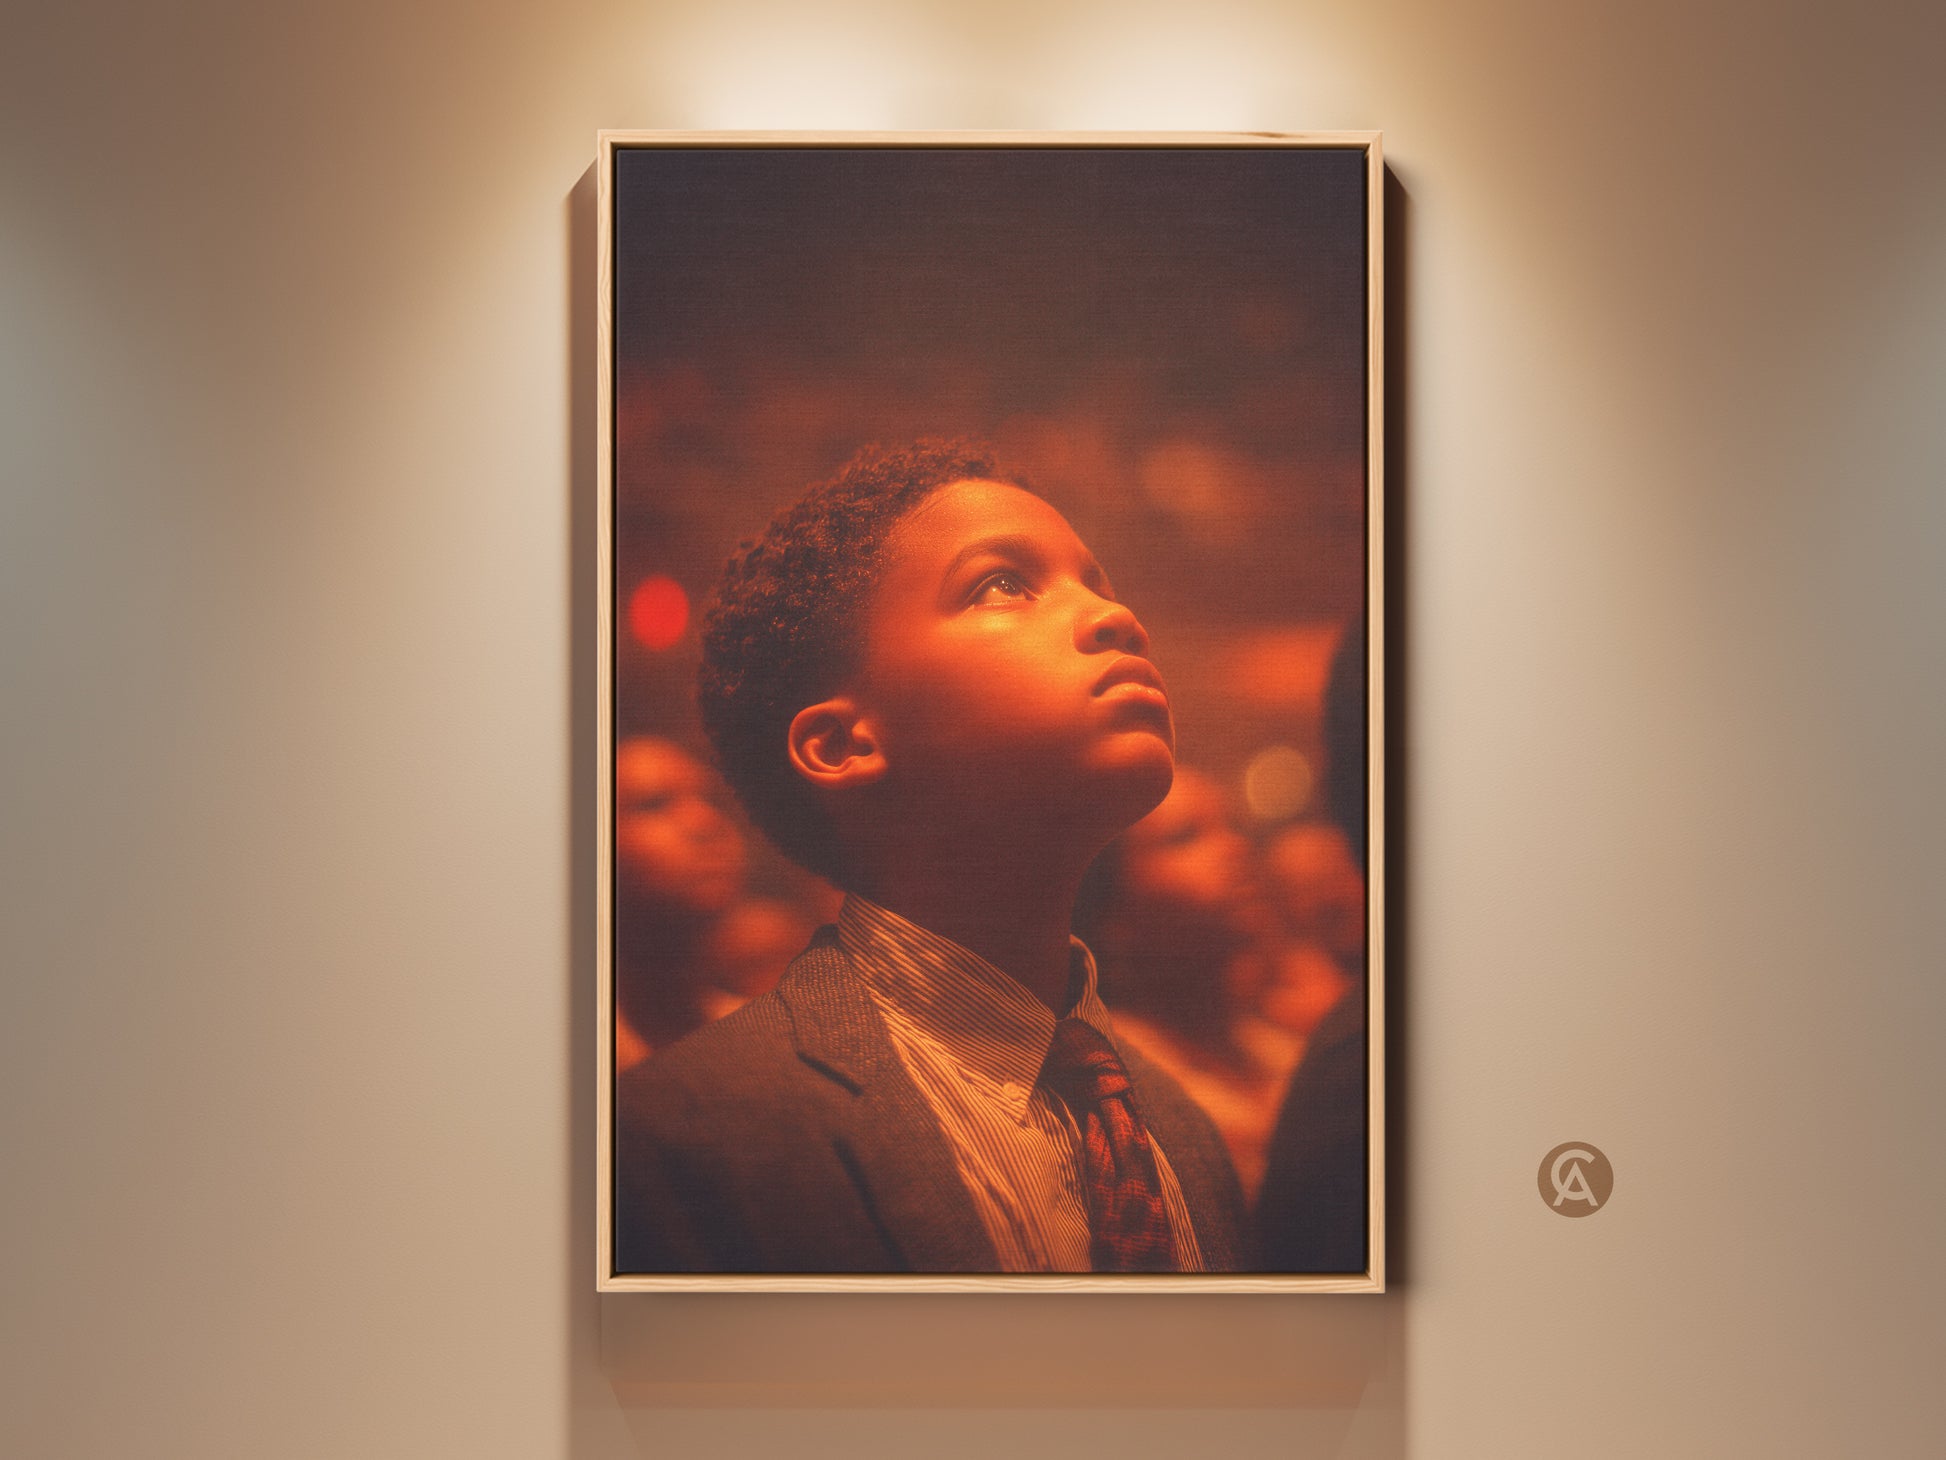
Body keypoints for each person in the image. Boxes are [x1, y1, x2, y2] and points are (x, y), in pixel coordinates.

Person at [614, 440, 1247, 1273]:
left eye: (1097, 583)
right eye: (1002, 584)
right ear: (845, 743)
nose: (1116, 616)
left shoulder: (1177, 1128)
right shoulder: (690, 1136)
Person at [1075, 767, 1303, 1201]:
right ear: (1113, 915)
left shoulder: (1279, 1045)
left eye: (1233, 827)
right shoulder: (1114, 1082)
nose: (1236, 848)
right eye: (1185, 837)